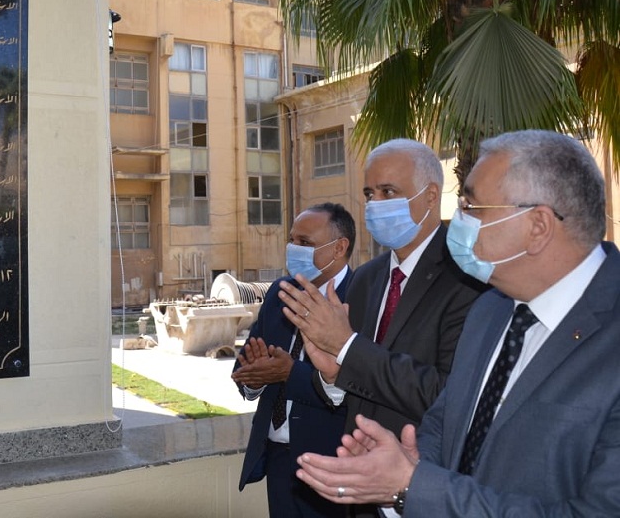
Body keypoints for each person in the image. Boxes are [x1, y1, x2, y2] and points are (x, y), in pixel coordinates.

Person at [294, 129, 620, 516]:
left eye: (473, 207)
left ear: (538, 226)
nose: (460, 219)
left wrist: (413, 487)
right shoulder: (491, 311)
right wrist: (404, 469)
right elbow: (445, 423)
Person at [278, 139, 486, 517]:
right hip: (361, 490)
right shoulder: (367, 278)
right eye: (369, 194)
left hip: (427, 489)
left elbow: (450, 396)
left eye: (388, 192)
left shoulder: (468, 278)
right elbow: (357, 384)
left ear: (431, 196)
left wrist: (347, 346)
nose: (374, 205)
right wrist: (332, 375)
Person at [232, 202, 356, 518]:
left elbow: (359, 387)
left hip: (332, 461)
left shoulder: (361, 299)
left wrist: (290, 374)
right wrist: (254, 378)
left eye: (305, 242)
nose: (293, 249)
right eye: (291, 240)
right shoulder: (280, 293)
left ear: (339, 247)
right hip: (278, 459)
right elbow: (245, 365)